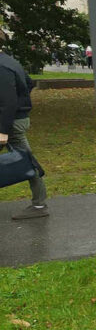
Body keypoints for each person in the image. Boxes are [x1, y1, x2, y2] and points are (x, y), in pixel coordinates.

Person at [0, 40, 49, 219]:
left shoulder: (2, 66)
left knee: (26, 162)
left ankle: (39, 206)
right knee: (26, 160)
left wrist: (3, 130)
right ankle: (39, 204)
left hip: (10, 123)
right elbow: (28, 83)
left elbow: (8, 101)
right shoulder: (10, 60)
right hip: (15, 120)